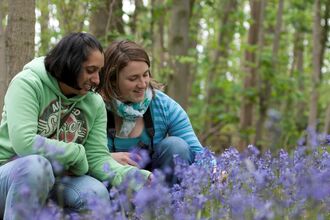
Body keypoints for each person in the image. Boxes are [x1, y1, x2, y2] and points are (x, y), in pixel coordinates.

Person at [0, 33, 150, 219]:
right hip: (10, 174)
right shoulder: (28, 84)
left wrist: (136, 177)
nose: (96, 80)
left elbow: (96, 157)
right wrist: (76, 154)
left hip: (60, 178)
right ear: (69, 64)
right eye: (90, 70)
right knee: (36, 166)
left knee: (95, 193)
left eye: (99, 71)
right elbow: (25, 143)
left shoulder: (94, 103)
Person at [99, 40, 212, 185]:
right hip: (114, 183)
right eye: (133, 78)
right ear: (112, 80)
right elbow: (84, 156)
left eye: (145, 75)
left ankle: (169, 204)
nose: (142, 84)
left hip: (156, 184)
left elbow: (198, 152)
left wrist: (217, 171)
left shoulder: (163, 105)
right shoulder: (97, 107)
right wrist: (107, 158)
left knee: (176, 146)